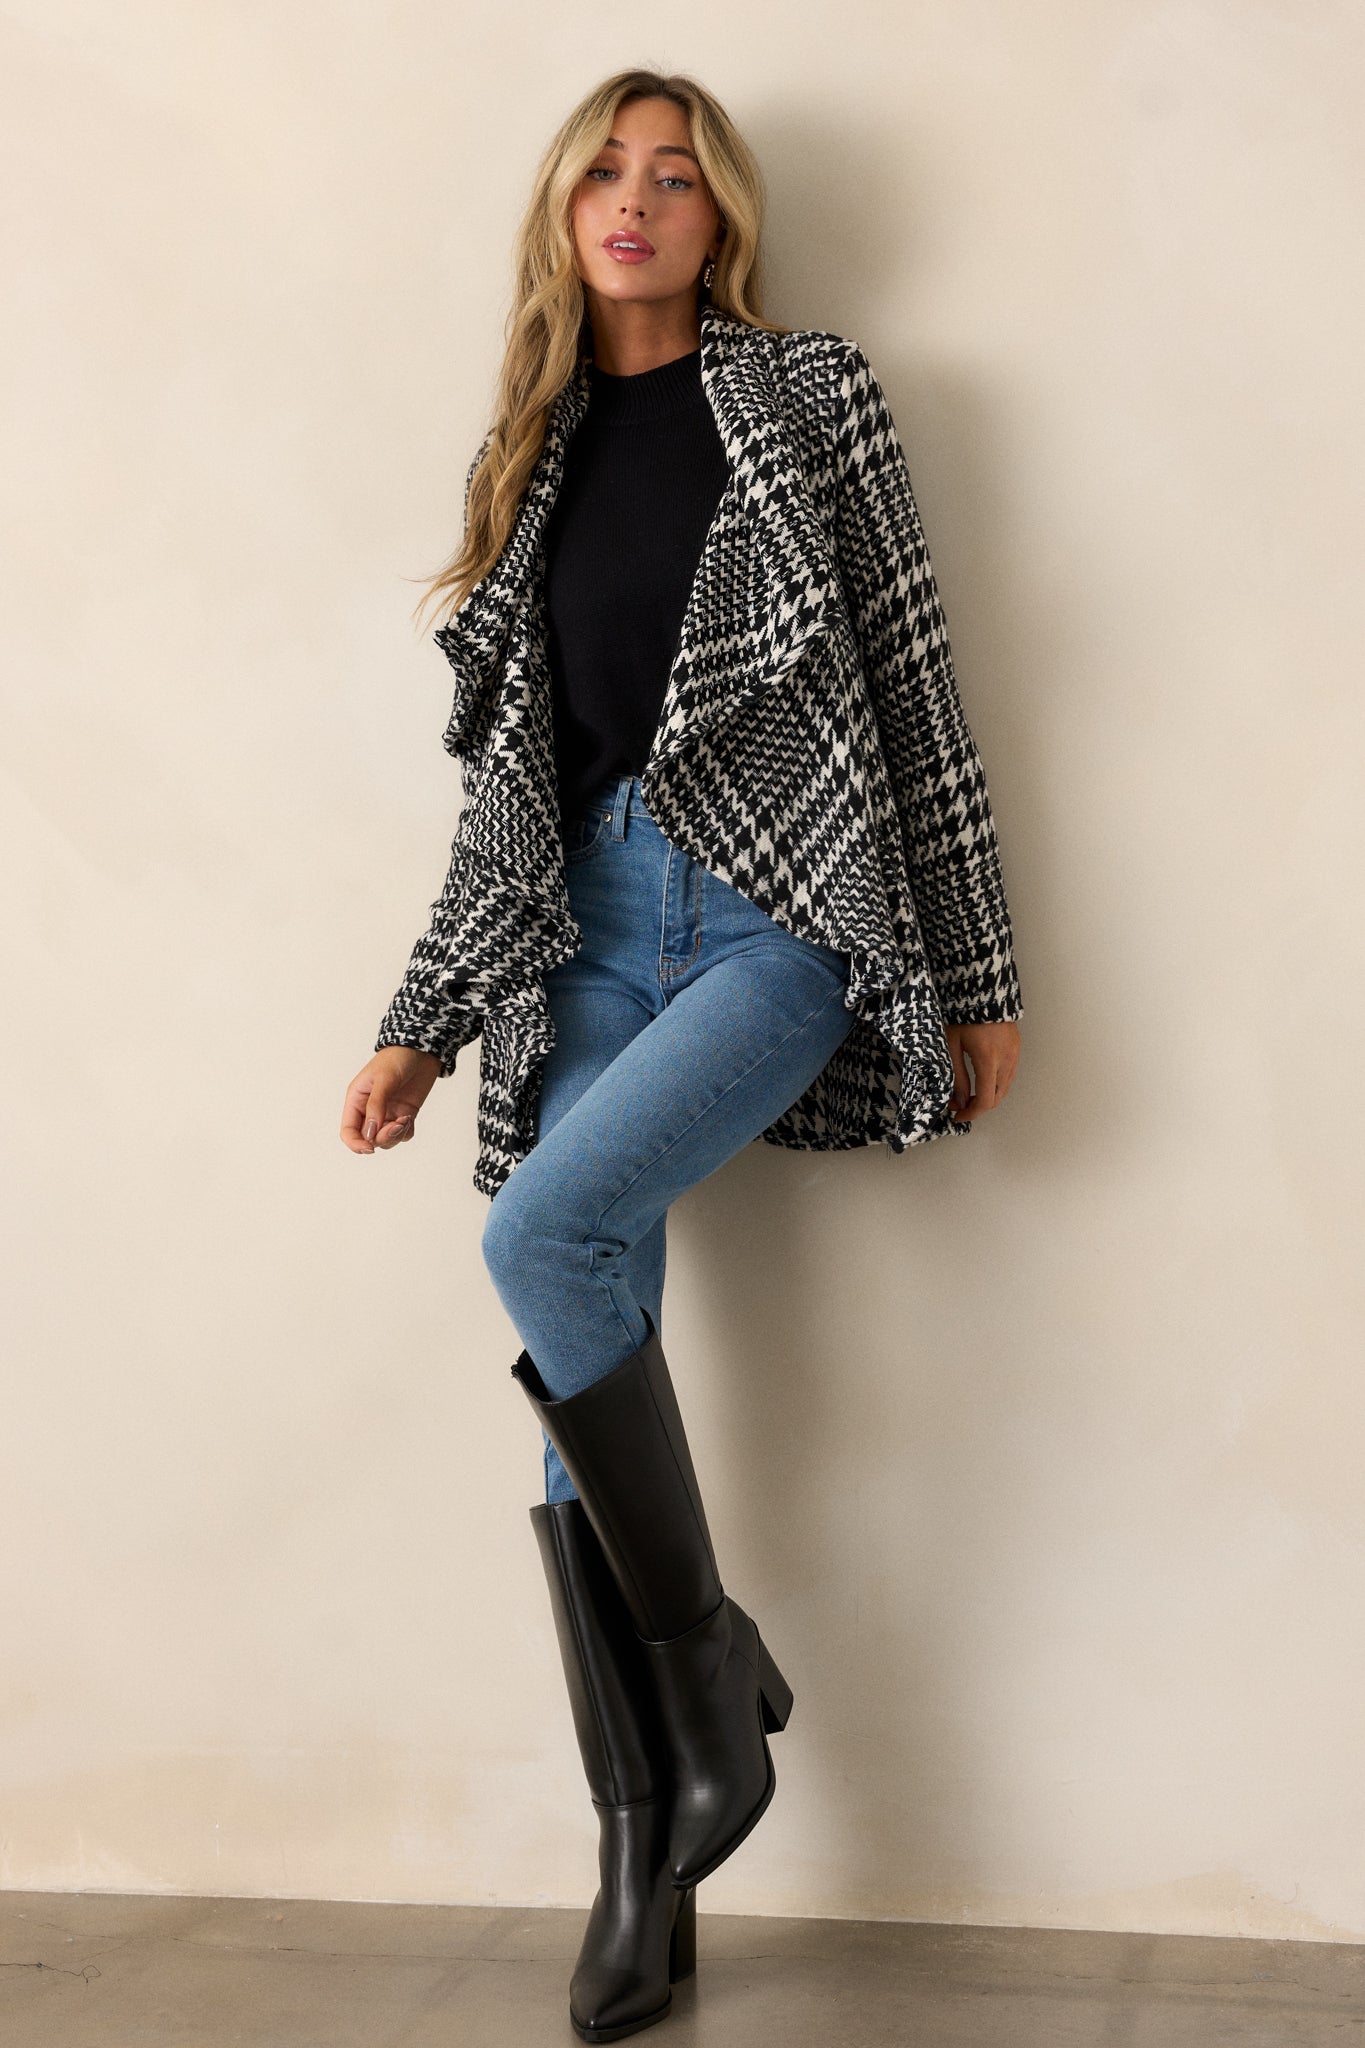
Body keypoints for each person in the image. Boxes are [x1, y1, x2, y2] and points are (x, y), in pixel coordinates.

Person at [340, 69, 1023, 2045]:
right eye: (602, 174)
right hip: (584, 932)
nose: (634, 202)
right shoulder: (532, 448)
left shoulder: (807, 395)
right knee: (572, 1356)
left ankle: (715, 1686)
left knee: (537, 1235)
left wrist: (974, 974)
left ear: (718, 218)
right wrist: (419, 1016)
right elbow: (507, 792)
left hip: (773, 919)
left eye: (672, 177)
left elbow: (914, 679)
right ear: (563, 214)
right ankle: (643, 1845)